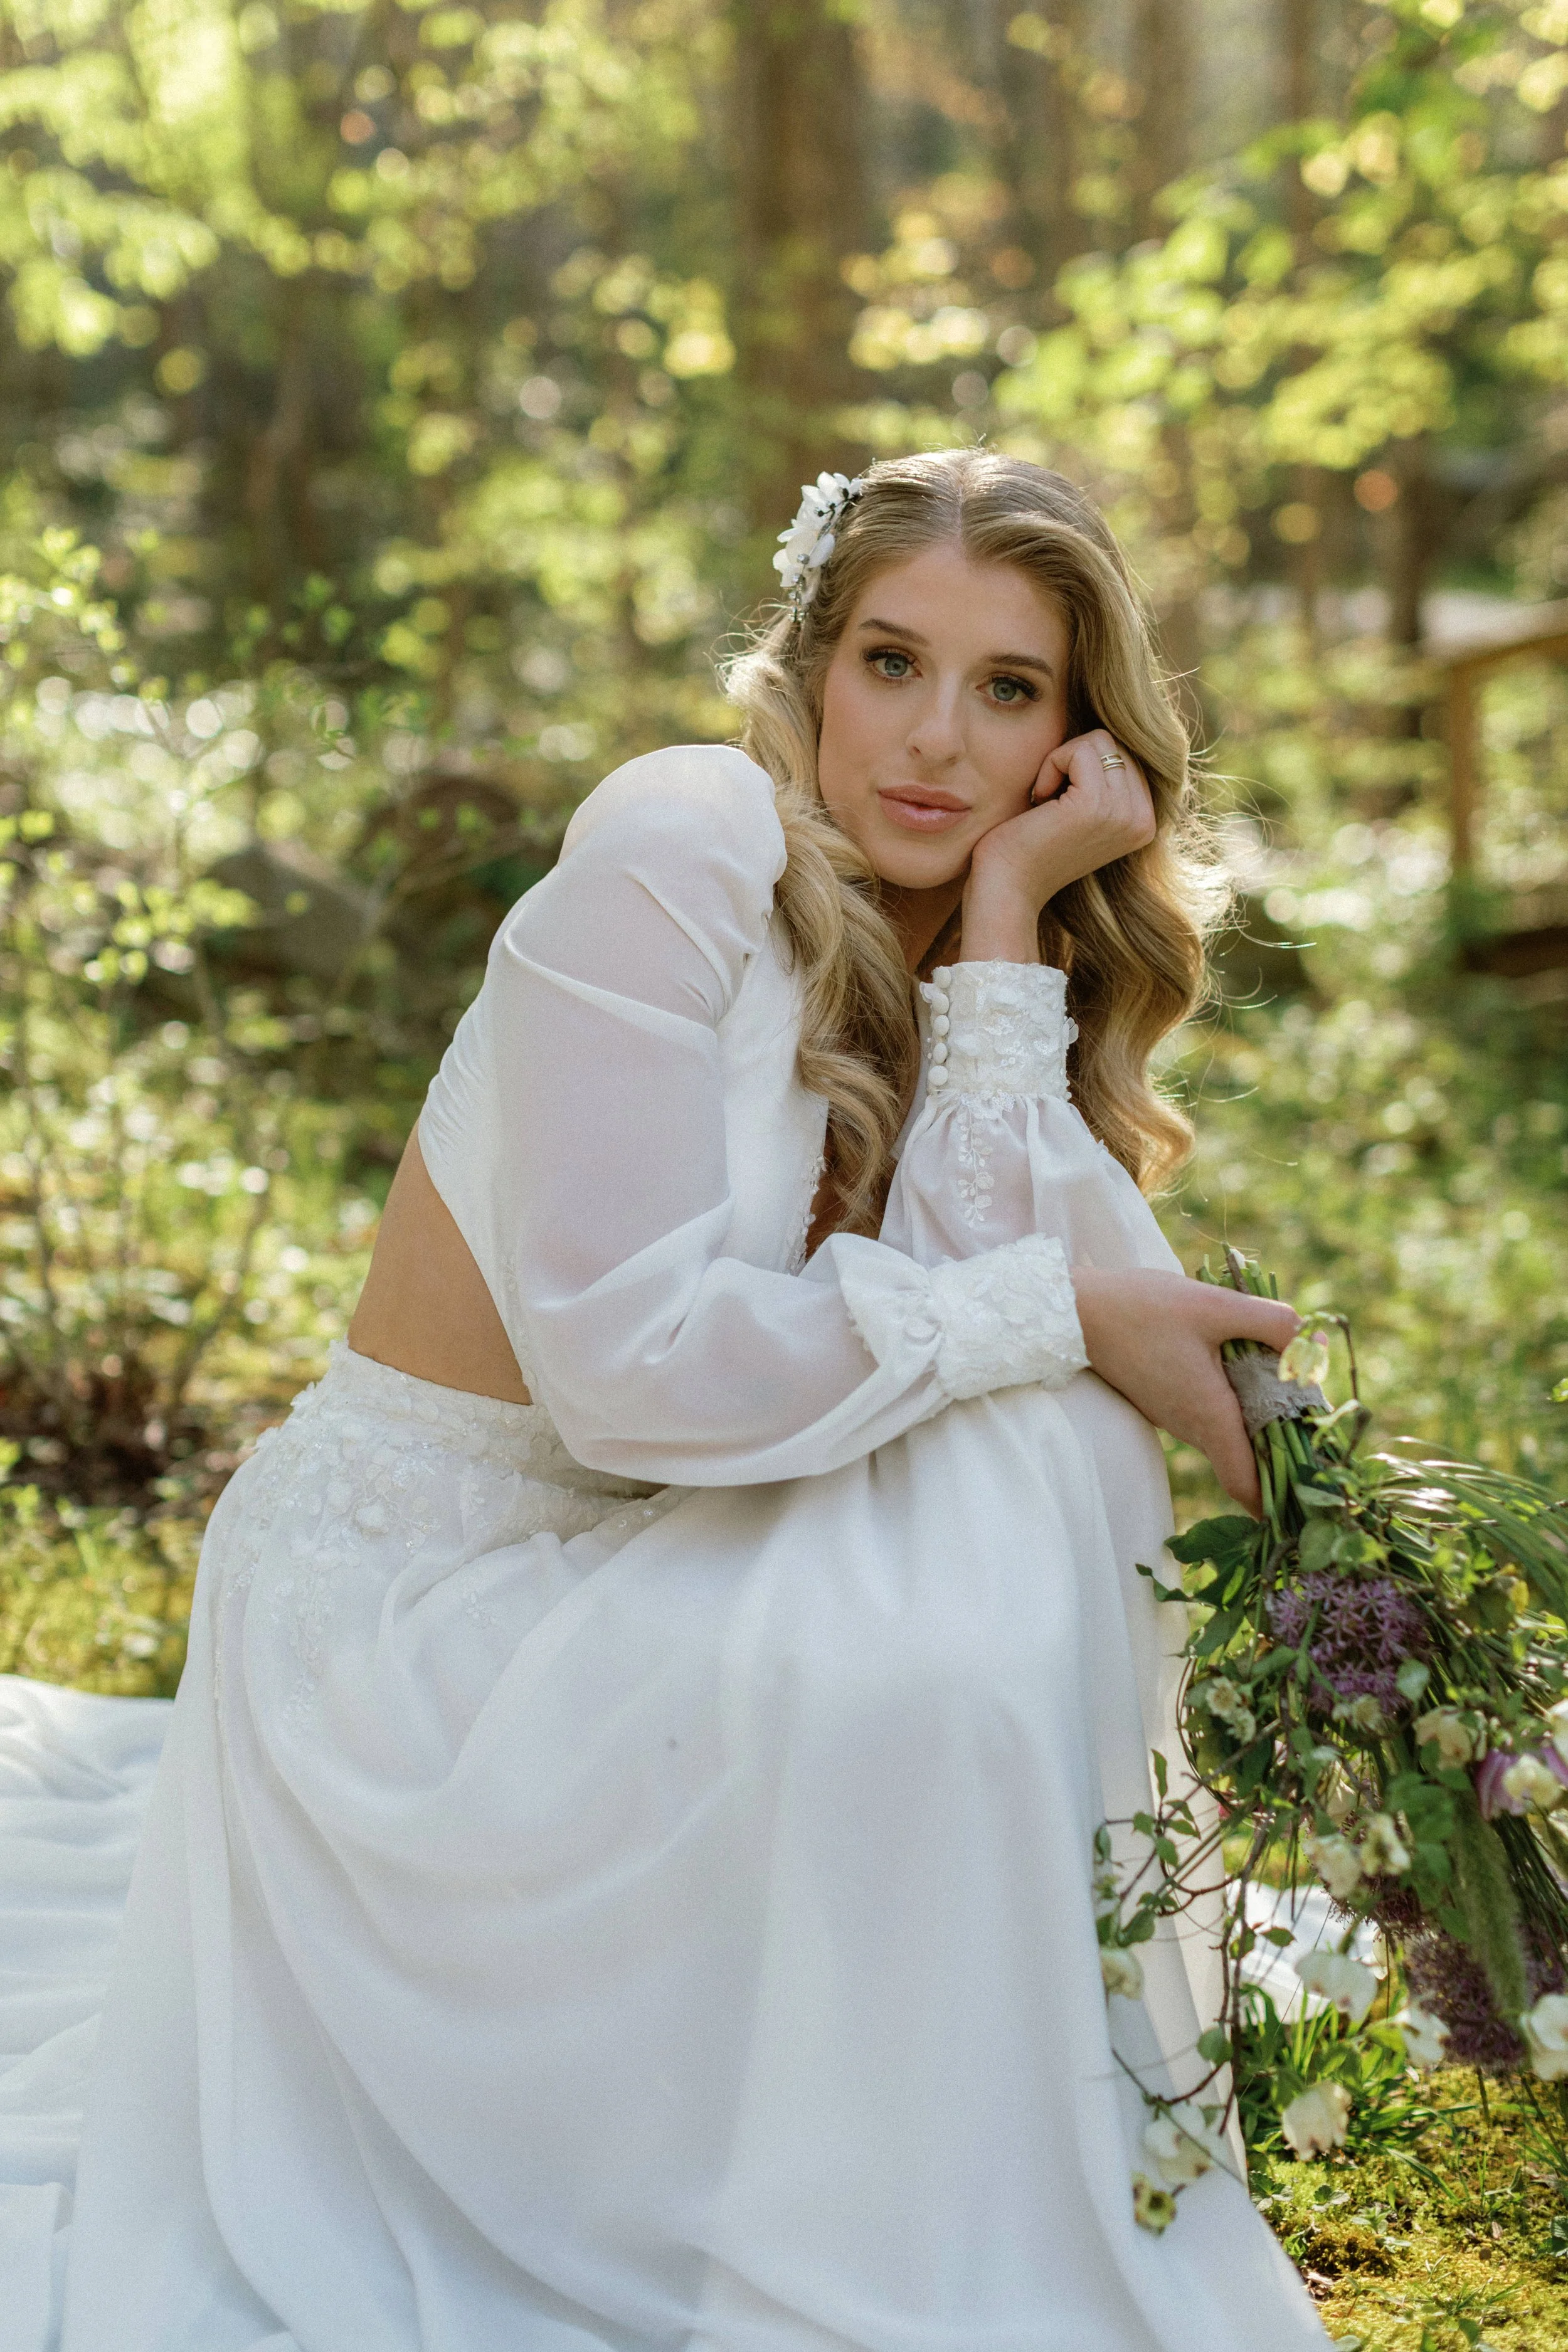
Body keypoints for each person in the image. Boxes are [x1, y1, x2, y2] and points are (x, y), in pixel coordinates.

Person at [0, 449, 1330, 2350]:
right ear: (807, 658)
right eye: (890, 661)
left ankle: (922, 2117)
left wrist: (1006, 920)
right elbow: (631, 1373)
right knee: (1018, 1395)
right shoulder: (682, 834)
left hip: (636, 1550)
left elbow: (985, 1243)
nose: (935, 740)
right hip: (411, 1625)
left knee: (1024, 1416)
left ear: (1073, 730)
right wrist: (1055, 1309)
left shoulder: (914, 902)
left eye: (1007, 690)